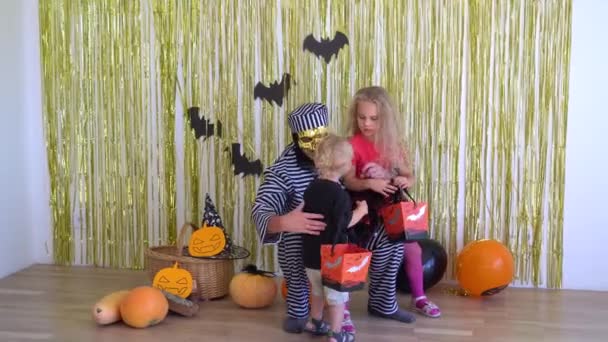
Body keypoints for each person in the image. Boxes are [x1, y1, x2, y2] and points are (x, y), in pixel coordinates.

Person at [252, 102, 416, 340]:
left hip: (344, 227)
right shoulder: (283, 171)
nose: (318, 146)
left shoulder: (337, 151)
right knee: (295, 240)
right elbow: (261, 208)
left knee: (391, 235)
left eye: (322, 136)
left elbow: (356, 181)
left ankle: (381, 302)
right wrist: (285, 222)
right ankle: (301, 308)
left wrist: (379, 177)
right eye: (310, 139)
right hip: (310, 238)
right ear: (297, 138)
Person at [342, 86, 441, 318]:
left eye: (374, 119)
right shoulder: (351, 145)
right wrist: (369, 183)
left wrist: (404, 180)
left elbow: (410, 176)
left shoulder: (395, 144)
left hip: (392, 208)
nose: (367, 123)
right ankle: (342, 309)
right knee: (351, 253)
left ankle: (419, 297)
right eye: (362, 117)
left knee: (413, 250)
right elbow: (348, 182)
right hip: (362, 210)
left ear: (385, 119)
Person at [301, 133, 368, 342]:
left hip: (311, 255)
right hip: (333, 257)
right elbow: (343, 223)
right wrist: (361, 212)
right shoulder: (339, 194)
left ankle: (315, 322)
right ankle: (337, 333)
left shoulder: (311, 188)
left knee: (318, 292)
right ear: (344, 165)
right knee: (337, 298)